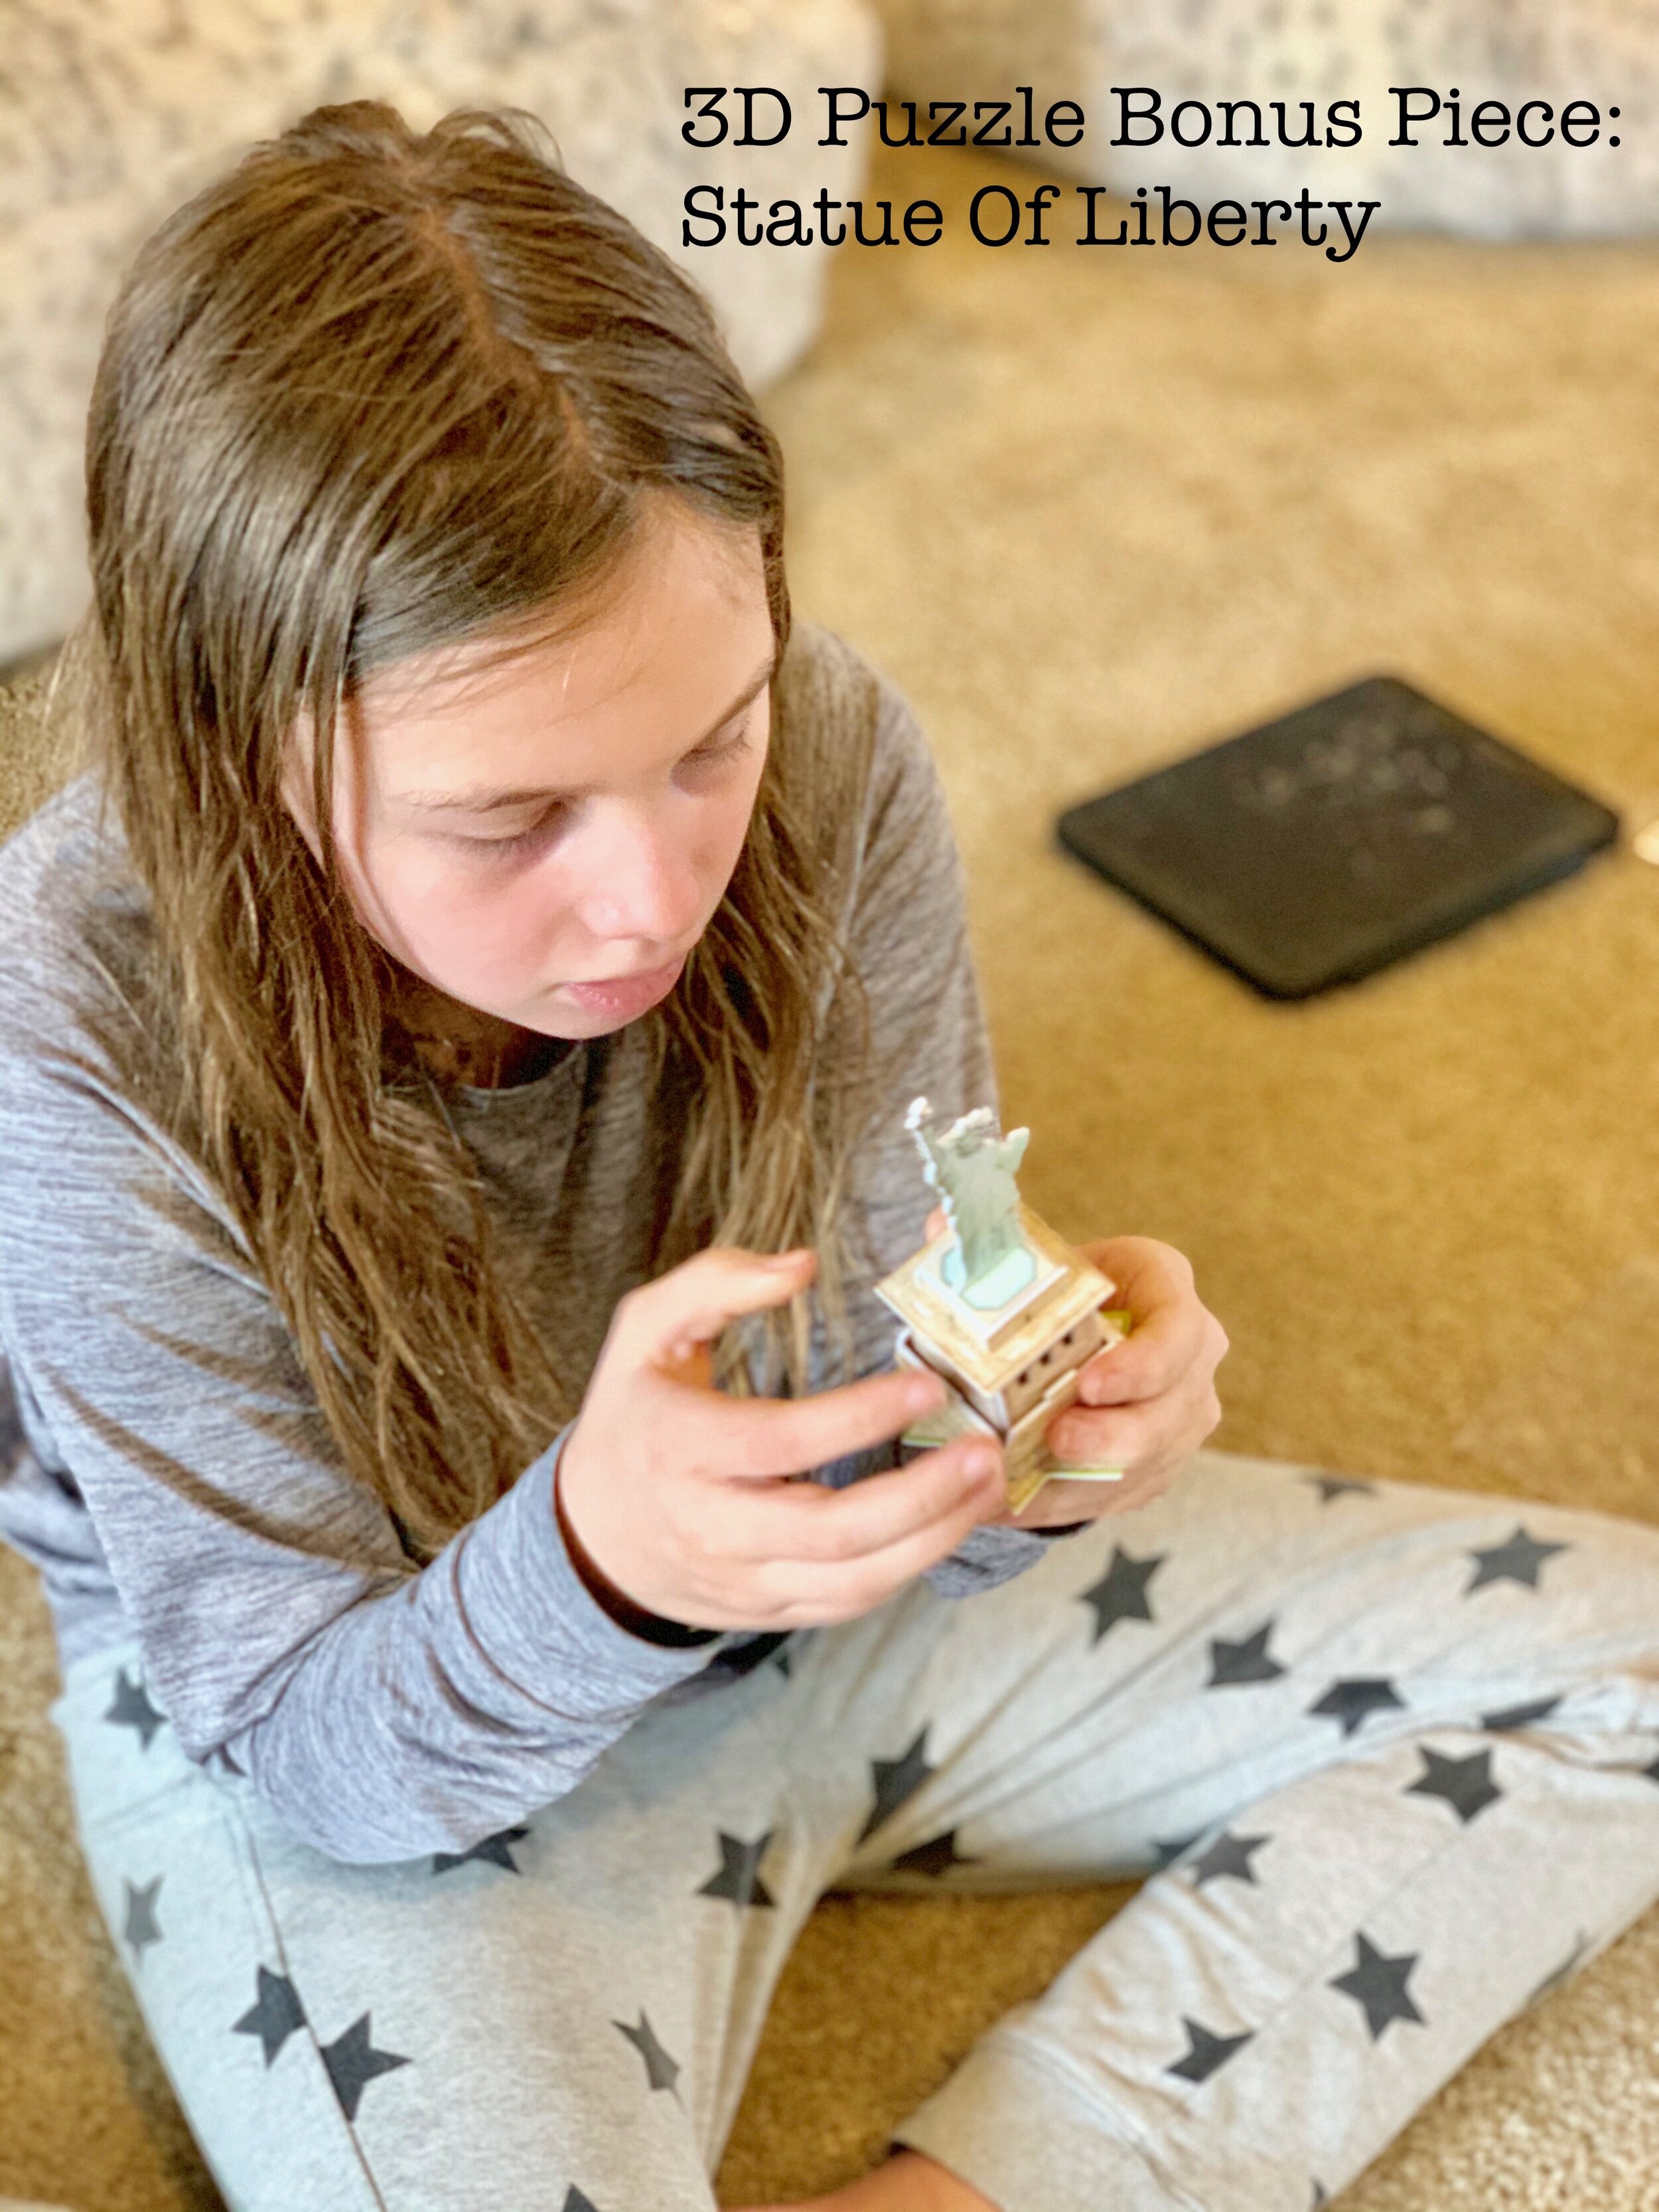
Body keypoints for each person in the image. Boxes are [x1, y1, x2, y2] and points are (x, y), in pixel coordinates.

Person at [1, 100, 1656, 2212]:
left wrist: (1035, 1439)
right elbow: (319, 1746)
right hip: (378, 1721)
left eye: (712, 739)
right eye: (511, 819)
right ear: (237, 760)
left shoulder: (843, 753)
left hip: (821, 1581)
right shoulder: (71, 1010)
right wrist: (601, 1565)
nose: (647, 900)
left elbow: (914, 1409)